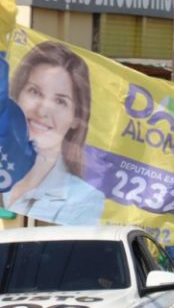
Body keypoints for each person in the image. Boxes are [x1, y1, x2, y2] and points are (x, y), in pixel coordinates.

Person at [1, 41, 105, 224]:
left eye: (60, 101)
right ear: (17, 94)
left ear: (76, 118)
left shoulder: (85, 198)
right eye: (34, 91)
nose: (42, 111)